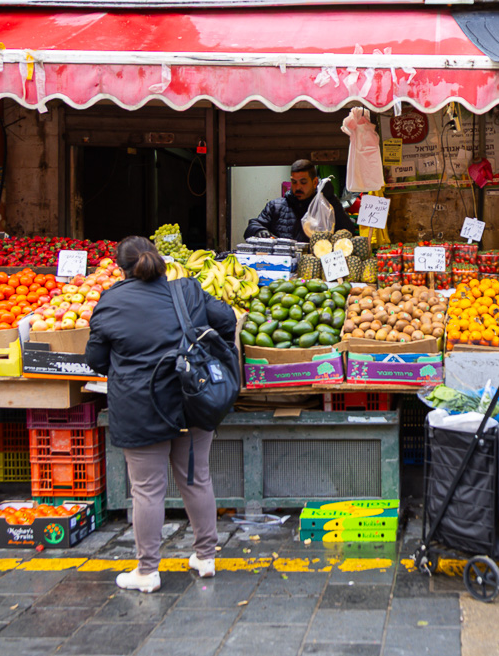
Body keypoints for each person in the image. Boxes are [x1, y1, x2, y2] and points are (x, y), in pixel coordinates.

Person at [85, 236, 237, 593]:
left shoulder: (111, 302)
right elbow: (227, 319)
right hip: (192, 399)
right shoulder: (187, 290)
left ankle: (147, 571)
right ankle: (206, 558)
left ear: (122, 268)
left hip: (141, 406)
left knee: (147, 490)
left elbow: (96, 360)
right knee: (196, 478)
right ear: (159, 261)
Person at [244, 160, 357, 241]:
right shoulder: (275, 206)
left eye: (303, 182)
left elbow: (348, 230)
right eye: (294, 182)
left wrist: (332, 200)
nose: (298, 187)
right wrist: (258, 231)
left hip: (314, 268)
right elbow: (252, 226)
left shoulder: (326, 207)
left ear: (314, 182)